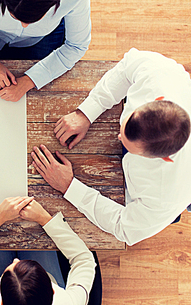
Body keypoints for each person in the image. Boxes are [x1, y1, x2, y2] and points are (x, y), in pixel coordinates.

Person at [31, 48, 191, 245]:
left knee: (158, 218)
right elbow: (126, 68)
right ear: (157, 100)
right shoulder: (158, 74)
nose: (117, 136)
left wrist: (69, 186)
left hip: (170, 191)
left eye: (129, 145)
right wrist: (88, 112)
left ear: (164, 158)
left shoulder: (165, 196)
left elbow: (124, 227)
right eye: (124, 127)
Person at [0, 196, 96, 304]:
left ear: (1, 302)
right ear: (52, 291)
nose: (16, 260)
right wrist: (44, 219)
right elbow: (85, 260)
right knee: (33, 228)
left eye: (12, 266)